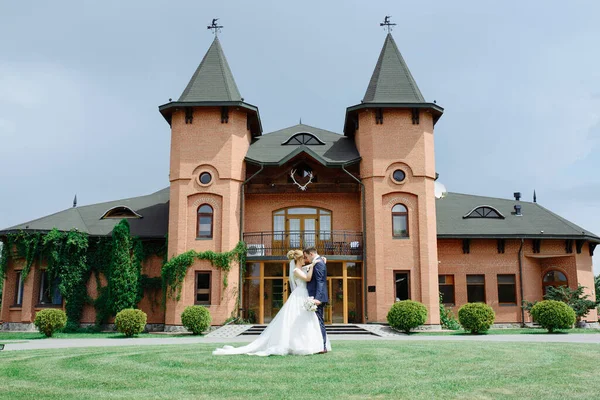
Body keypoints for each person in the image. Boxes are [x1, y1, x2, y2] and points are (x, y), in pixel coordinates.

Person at [212, 249, 331, 356]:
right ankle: (297, 345)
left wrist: (320, 261)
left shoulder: (302, 268)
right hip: (299, 295)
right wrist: (314, 264)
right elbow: (308, 278)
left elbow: (310, 268)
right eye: (303, 258)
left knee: (307, 321)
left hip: (304, 296)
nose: (306, 260)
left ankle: (309, 344)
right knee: (297, 320)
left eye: (306, 258)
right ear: (299, 259)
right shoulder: (296, 270)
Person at [303, 246, 329, 353]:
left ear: (311, 254)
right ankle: (318, 345)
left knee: (319, 322)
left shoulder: (318, 263)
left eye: (306, 256)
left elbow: (320, 281)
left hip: (317, 298)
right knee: (316, 322)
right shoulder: (319, 261)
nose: (306, 259)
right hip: (314, 297)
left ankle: (323, 347)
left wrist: (318, 298)